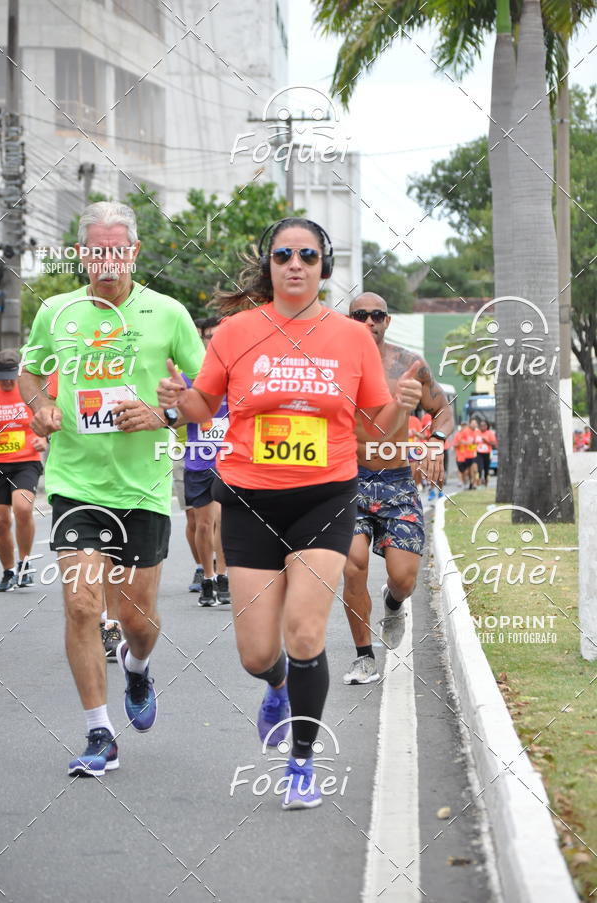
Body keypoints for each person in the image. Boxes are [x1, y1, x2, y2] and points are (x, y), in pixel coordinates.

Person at [157, 217, 422, 809]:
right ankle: (275, 686)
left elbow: (375, 430)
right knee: (257, 653)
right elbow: (204, 403)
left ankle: (301, 764)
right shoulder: (235, 331)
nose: (295, 263)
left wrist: (402, 408)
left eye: (307, 254)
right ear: (270, 264)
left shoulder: (351, 338)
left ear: (323, 267)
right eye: (283, 255)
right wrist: (180, 403)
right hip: (248, 500)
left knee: (304, 633)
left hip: (325, 498)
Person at [20, 201, 204, 777]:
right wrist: (41, 404)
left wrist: (164, 415)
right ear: (81, 253)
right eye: (95, 250)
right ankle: (100, 733)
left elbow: (207, 393)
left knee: (137, 620)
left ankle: (137, 667)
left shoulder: (169, 313)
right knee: (80, 606)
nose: (106, 260)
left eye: (116, 249)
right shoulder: (57, 311)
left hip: (143, 486)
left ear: (134, 252)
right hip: (76, 483)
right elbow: (30, 373)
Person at [341, 293, 454, 685]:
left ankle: (392, 605)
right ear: (350, 320)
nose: (368, 321)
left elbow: (443, 408)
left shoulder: (410, 366)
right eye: (360, 315)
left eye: (376, 315)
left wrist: (436, 441)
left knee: (404, 577)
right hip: (348, 480)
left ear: (387, 321)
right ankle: (363, 656)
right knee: (351, 564)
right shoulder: (332, 365)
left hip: (396, 481)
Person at [183, 316, 230, 605]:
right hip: (198, 458)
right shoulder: (191, 377)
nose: (211, 342)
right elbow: (175, 418)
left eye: (216, 336)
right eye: (206, 337)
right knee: (202, 523)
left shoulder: (235, 374)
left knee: (222, 520)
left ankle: (223, 576)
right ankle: (208, 577)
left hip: (228, 457)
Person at [0, 349, 48, 591]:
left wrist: (44, 439)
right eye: (1, 376)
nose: (7, 381)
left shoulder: (28, 390)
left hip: (26, 460)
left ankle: (25, 564)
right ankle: (8, 571)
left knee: (23, 508)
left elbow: (48, 418)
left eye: (10, 375)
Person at [476, 418, 497, 487]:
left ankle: (486, 482)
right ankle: (479, 481)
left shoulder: (490, 433)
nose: (482, 427)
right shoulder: (477, 432)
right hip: (478, 453)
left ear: (487, 426)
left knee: (486, 468)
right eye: (481, 425)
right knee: (479, 467)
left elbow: (494, 444)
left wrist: (486, 441)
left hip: (487, 453)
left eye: (484, 425)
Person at [453, 421, 474, 488]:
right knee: (461, 470)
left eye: (465, 425)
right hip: (460, 456)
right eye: (462, 426)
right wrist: (460, 443)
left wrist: (467, 443)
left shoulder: (470, 434)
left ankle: (468, 482)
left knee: (468, 470)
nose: (464, 427)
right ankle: (462, 482)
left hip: (469, 456)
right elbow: (455, 445)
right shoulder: (458, 434)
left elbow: (473, 444)